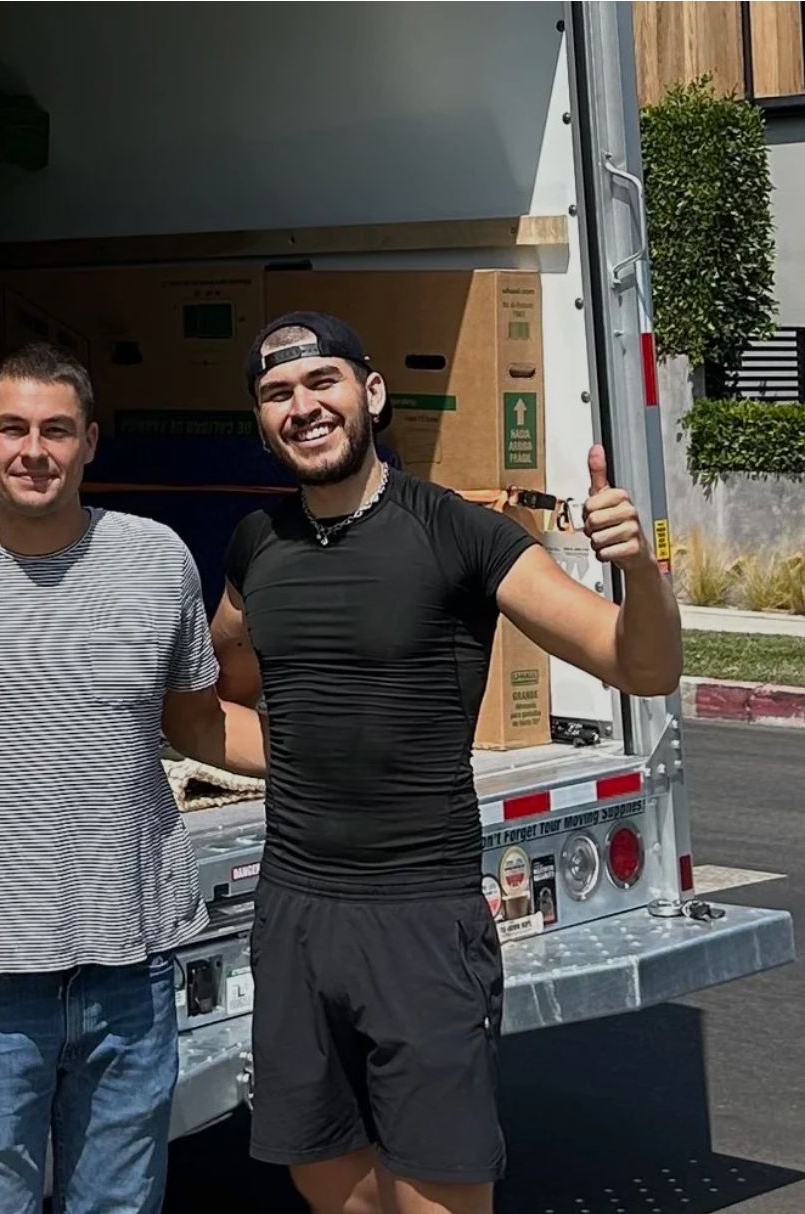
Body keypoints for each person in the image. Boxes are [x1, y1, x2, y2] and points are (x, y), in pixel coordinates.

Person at [208, 312, 684, 1214]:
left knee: (436, 1199)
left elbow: (642, 664)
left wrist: (644, 570)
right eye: (277, 395)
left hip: (421, 920)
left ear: (372, 394)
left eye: (323, 384)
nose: (303, 407)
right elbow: (219, 690)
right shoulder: (254, 546)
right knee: (330, 1186)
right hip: (295, 914)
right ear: (262, 421)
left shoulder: (459, 534)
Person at [0, 340, 267, 1214]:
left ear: (90, 443)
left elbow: (192, 721)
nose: (33, 450)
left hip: (133, 960)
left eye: (56, 430)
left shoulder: (156, 561)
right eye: (13, 428)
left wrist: (345, 755)